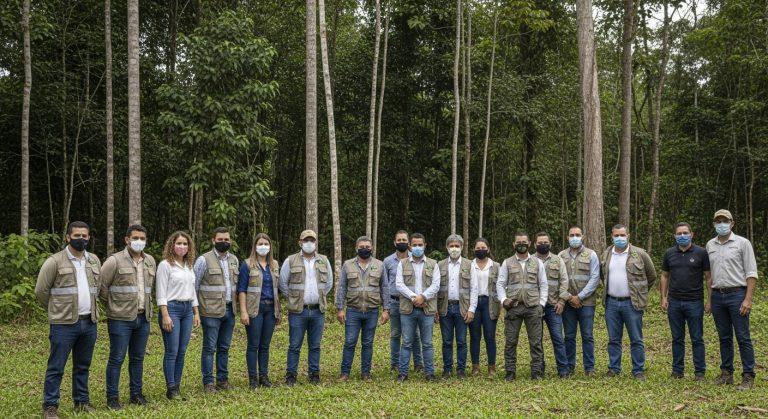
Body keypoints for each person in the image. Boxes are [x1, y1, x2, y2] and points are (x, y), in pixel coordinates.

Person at [36, 221, 101, 419]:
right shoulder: (54, 261)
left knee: (83, 365)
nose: (81, 239)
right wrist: (57, 309)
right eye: (77, 235)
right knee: (56, 366)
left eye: (84, 235)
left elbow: (97, 289)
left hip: (89, 322)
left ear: (89, 238)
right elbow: (41, 292)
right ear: (68, 237)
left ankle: (81, 402)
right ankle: (50, 406)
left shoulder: (94, 261)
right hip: (64, 324)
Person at [99, 224, 155, 409]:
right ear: (127, 240)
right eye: (135, 238)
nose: (139, 241)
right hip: (120, 319)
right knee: (117, 358)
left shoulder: (150, 261)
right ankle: (112, 398)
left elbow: (149, 289)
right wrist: (114, 306)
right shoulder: (114, 261)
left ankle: (136, 394)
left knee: (138, 358)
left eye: (142, 238)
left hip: (143, 318)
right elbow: (102, 288)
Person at [707, 209, 758, 390]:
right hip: (718, 296)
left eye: (725, 221)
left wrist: (748, 299)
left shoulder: (742, 243)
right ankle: (727, 373)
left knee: (743, 337)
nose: (722, 224)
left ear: (732, 223)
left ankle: (748, 375)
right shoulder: (710, 245)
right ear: (714, 224)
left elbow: (751, 273)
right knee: (724, 337)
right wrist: (710, 299)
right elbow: (710, 276)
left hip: (737, 295)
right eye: (718, 221)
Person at [601, 224, 656, 380]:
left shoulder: (639, 254)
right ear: (611, 236)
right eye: (616, 235)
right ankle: (613, 369)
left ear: (628, 235)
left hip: (632, 303)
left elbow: (651, 276)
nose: (620, 238)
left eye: (622, 235)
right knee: (613, 339)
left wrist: (640, 292)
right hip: (611, 303)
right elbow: (602, 275)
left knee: (636, 338)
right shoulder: (606, 254)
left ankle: (638, 370)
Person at [279, 229, 334, 385]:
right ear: (300, 242)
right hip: (298, 311)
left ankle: (314, 374)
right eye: (306, 240)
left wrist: (319, 295)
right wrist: (294, 299)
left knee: (315, 345)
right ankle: (291, 376)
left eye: (312, 240)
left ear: (316, 243)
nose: (309, 243)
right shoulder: (290, 260)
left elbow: (329, 283)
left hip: (318, 310)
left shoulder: (324, 260)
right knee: (294, 345)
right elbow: (283, 283)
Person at [496, 231, 548, 381]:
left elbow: (543, 284)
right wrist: (503, 299)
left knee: (536, 342)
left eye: (524, 242)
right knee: (511, 341)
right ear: (513, 244)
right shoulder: (507, 262)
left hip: (533, 308)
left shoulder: (537, 262)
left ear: (529, 244)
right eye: (518, 242)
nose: (521, 245)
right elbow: (500, 284)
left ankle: (536, 373)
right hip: (514, 307)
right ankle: (510, 372)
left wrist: (541, 304)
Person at [336, 236, 389, 381]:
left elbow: (384, 287)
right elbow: (341, 287)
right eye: (361, 247)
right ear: (356, 248)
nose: (364, 249)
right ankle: (344, 373)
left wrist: (386, 309)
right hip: (353, 310)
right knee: (350, 342)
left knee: (368, 343)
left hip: (372, 310)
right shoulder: (348, 265)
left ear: (372, 248)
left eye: (367, 247)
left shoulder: (379, 265)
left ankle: (366, 373)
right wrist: (340, 308)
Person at [194, 227, 239, 392]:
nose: (223, 242)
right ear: (213, 240)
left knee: (224, 347)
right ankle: (208, 383)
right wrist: (196, 311)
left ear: (230, 241)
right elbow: (195, 286)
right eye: (220, 239)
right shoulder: (203, 260)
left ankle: (222, 380)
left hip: (229, 310)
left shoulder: (234, 260)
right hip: (210, 312)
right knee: (209, 348)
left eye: (226, 239)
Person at [156, 231, 200, 400]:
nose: (182, 247)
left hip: (187, 310)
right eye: (179, 243)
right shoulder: (165, 265)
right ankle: (171, 388)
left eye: (185, 244)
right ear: (171, 245)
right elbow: (160, 292)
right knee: (172, 350)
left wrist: (196, 312)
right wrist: (165, 315)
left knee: (182, 351)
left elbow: (192, 291)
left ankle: (177, 385)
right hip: (172, 309)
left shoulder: (189, 266)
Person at [237, 233, 281, 389]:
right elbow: (242, 290)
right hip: (254, 309)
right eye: (260, 243)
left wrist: (278, 312)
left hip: (270, 309)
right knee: (253, 345)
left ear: (270, 247)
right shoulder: (247, 264)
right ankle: (253, 379)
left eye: (266, 243)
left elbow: (277, 290)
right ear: (255, 246)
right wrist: (243, 312)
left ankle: (264, 376)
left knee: (265, 345)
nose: (263, 246)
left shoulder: (274, 265)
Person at [395, 233, 440, 382]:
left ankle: (429, 373)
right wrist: (415, 297)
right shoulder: (402, 263)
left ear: (425, 246)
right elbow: (399, 284)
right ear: (410, 246)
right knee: (407, 341)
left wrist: (423, 297)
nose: (417, 247)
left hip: (427, 309)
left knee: (427, 343)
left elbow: (436, 285)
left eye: (420, 245)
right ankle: (403, 373)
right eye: (414, 245)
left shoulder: (433, 264)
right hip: (408, 309)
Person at [558, 226, 600, 377]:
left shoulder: (591, 254)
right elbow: (558, 280)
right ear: (567, 237)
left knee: (587, 335)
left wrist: (580, 297)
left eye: (577, 235)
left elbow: (595, 278)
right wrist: (569, 297)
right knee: (569, 336)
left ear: (583, 237)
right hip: (568, 303)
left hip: (586, 303)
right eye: (572, 235)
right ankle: (569, 367)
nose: (574, 237)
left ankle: (589, 368)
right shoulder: (561, 256)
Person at [382, 230, 423, 372]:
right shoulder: (387, 261)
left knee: (415, 334)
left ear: (409, 243)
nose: (401, 242)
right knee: (395, 334)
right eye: (399, 240)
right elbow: (385, 285)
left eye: (404, 240)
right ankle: (395, 363)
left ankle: (418, 363)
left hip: (412, 302)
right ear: (394, 242)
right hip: (394, 302)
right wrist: (386, 308)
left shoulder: (416, 259)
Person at [437, 234, 475, 378]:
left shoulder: (469, 264)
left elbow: (474, 288)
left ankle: (461, 369)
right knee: (446, 341)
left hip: (462, 308)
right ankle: (447, 369)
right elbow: (435, 288)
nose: (454, 249)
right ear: (447, 247)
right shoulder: (439, 265)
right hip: (445, 308)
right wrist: (435, 309)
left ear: (462, 247)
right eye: (451, 246)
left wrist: (471, 309)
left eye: (457, 246)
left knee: (461, 340)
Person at [534, 232, 570, 378]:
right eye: (540, 242)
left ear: (550, 243)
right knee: (537, 339)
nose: (543, 245)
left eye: (545, 242)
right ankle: (539, 369)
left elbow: (564, 281)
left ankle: (563, 370)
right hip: (535, 307)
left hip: (554, 306)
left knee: (558, 338)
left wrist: (562, 301)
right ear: (535, 244)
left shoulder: (557, 260)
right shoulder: (530, 260)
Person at [468, 238, 501, 376]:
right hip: (473, 303)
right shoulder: (469, 265)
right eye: (478, 248)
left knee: (489, 336)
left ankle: (491, 367)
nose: (480, 250)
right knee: (474, 336)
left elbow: (501, 285)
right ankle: (475, 367)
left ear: (488, 249)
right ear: (473, 249)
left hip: (490, 304)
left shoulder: (496, 266)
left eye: (483, 247)